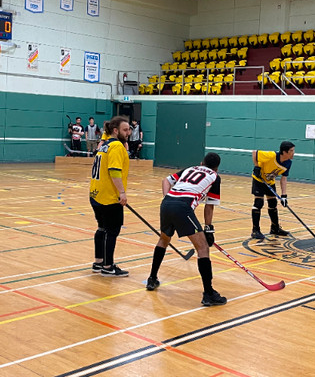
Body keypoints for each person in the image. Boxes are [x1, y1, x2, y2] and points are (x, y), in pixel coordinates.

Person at [145, 152, 226, 306]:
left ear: (202, 163)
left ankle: (152, 279)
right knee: (202, 248)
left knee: (164, 239)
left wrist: (167, 198)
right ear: (216, 168)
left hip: (167, 203)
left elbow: (166, 180)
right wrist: (209, 228)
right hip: (183, 207)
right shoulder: (215, 176)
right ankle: (208, 293)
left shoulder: (190, 168)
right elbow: (209, 206)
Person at [89, 116, 132, 277]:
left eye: (129, 129)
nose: (128, 133)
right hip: (109, 197)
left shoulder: (104, 145)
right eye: (125, 130)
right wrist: (121, 192)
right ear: (116, 130)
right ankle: (108, 267)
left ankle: (98, 262)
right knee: (112, 231)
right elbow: (114, 171)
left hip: (95, 195)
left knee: (101, 228)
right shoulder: (116, 147)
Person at [250, 141, 295, 239]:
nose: (293, 153)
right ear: (284, 152)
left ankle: (275, 228)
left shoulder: (288, 163)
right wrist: (257, 167)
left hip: (270, 182)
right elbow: (255, 152)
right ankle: (255, 230)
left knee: (273, 203)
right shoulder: (272, 155)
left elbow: (284, 178)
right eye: (291, 151)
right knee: (258, 203)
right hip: (259, 179)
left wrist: (284, 196)